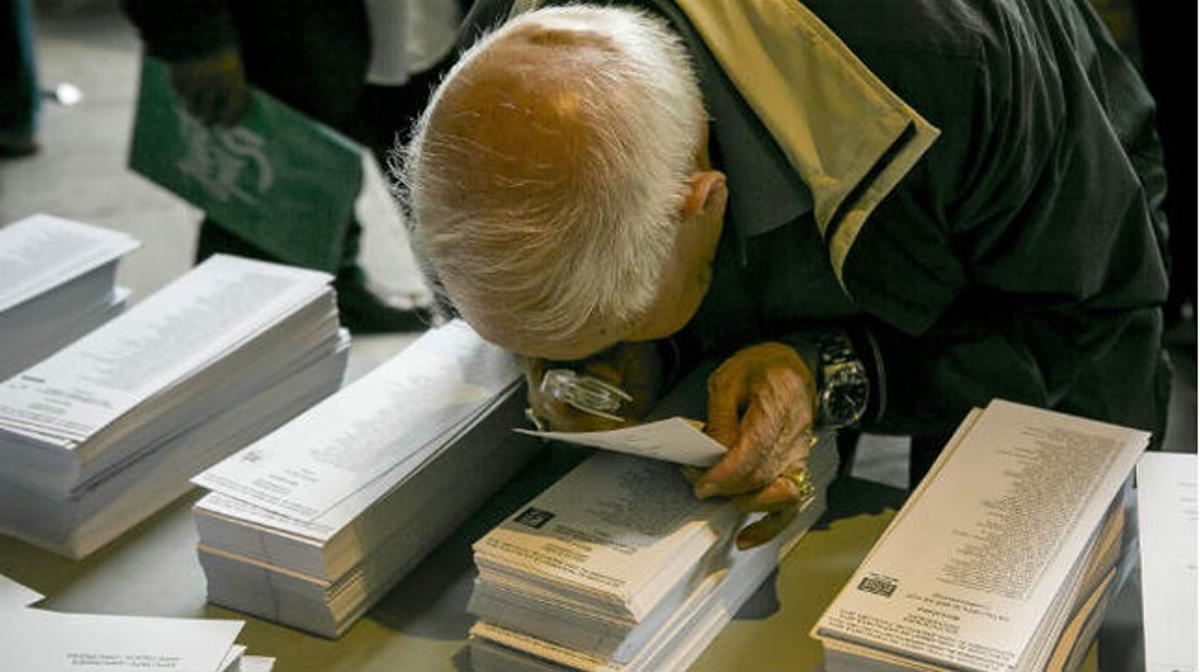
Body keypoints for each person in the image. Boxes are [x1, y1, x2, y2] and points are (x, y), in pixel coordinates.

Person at [398, 1, 1172, 548]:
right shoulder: (503, 64)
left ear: (707, 202)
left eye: (609, 331)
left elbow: (1083, 322)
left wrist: (836, 370)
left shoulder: (954, 64)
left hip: (1055, 216)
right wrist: (604, 357)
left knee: (989, 565)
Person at [121, 0, 470, 332]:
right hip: (282, 31)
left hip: (426, 29)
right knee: (261, 248)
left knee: (448, 201)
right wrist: (190, 35)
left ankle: (344, 290)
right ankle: (241, 360)